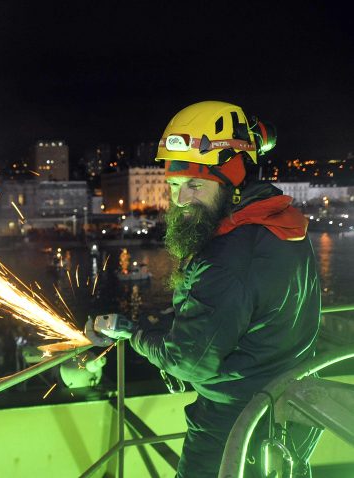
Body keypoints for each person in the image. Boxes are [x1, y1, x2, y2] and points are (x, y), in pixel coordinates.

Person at [96, 101, 322, 477]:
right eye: (174, 185)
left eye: (195, 185)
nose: (181, 201)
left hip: (235, 430)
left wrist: (132, 332)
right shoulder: (281, 225)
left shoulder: (227, 258)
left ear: (232, 179)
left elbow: (188, 361)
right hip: (288, 416)